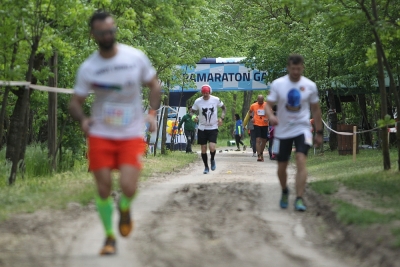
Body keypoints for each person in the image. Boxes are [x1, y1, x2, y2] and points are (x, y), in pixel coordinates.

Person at [68, 11, 161, 255]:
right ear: (94, 35)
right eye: (102, 32)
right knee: (103, 187)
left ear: (114, 30)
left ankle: (125, 207)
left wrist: (151, 114)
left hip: (130, 133)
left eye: (111, 31)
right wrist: (83, 119)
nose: (107, 36)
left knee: (129, 187)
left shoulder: (135, 57)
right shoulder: (89, 67)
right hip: (101, 133)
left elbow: (154, 85)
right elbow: (75, 102)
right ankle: (109, 237)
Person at [265, 54, 322, 212]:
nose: (296, 72)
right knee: (281, 166)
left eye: (299, 68)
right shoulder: (279, 84)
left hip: (303, 129)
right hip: (282, 130)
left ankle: (299, 198)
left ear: (302, 67)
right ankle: (284, 190)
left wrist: (319, 132)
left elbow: (316, 110)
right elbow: (267, 106)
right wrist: (271, 116)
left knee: (300, 159)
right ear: (288, 68)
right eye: (293, 69)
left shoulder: (309, 85)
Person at [192, 84, 226, 174]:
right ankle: (206, 167)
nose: (205, 95)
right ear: (202, 93)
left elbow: (224, 108)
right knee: (203, 149)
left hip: (213, 127)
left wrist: (221, 118)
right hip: (202, 128)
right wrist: (194, 117)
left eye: (207, 93)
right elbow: (191, 112)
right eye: (204, 93)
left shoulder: (215, 99)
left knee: (212, 147)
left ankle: (212, 159)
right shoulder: (198, 101)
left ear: (209, 92)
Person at [243, 95, 269, 162]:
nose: (260, 102)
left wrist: (268, 118)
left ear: (263, 100)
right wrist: (252, 118)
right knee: (258, 140)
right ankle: (259, 156)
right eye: (259, 101)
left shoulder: (267, 105)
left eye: (261, 101)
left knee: (264, 140)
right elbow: (250, 112)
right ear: (257, 100)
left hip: (264, 124)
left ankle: (261, 153)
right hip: (256, 124)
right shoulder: (253, 105)